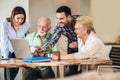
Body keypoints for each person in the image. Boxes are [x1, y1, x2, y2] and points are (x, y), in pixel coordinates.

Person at [35, 6, 82, 76]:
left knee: (86, 70)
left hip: (85, 47)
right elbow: (53, 40)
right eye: (57, 18)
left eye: (61, 18)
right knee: (72, 73)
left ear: (69, 17)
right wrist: (44, 48)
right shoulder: (59, 27)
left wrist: (79, 44)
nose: (59, 21)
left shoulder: (81, 21)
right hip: (72, 47)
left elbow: (91, 35)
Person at [0, 6, 30, 80]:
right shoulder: (5, 24)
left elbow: (26, 39)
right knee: (8, 74)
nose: (20, 21)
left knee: (15, 72)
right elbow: (4, 40)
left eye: (22, 19)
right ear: (13, 16)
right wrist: (5, 57)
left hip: (19, 51)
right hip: (8, 50)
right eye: (18, 18)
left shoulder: (26, 25)